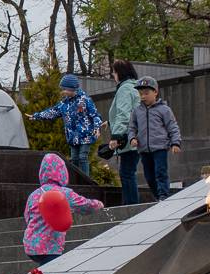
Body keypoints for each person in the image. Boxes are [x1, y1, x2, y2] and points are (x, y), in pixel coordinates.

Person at [24, 153, 106, 266]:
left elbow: (27, 217)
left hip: (31, 245)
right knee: (51, 273)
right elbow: (84, 206)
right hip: (51, 246)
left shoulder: (34, 195)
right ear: (62, 172)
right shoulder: (64, 193)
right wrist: (98, 204)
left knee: (44, 270)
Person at [30, 75, 103, 178]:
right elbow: (52, 112)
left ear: (71, 88)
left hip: (85, 135)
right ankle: (75, 179)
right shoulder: (64, 103)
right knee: (74, 159)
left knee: (82, 157)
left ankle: (85, 179)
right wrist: (36, 116)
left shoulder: (85, 100)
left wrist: (96, 128)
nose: (62, 92)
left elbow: (95, 115)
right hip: (72, 136)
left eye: (64, 89)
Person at [131, 77, 183, 202]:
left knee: (160, 172)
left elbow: (172, 126)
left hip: (160, 147)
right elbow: (132, 127)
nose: (143, 96)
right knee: (149, 176)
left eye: (146, 93)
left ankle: (163, 195)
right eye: (141, 94)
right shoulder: (137, 111)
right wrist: (132, 138)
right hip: (144, 149)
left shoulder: (164, 110)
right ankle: (157, 195)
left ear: (155, 92)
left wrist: (175, 143)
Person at [104, 61, 142, 205]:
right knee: (129, 172)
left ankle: (131, 206)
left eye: (114, 72)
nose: (113, 75)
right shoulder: (134, 87)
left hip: (127, 139)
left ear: (120, 73)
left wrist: (116, 136)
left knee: (126, 173)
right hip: (135, 136)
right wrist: (109, 121)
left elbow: (124, 114)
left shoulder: (124, 89)